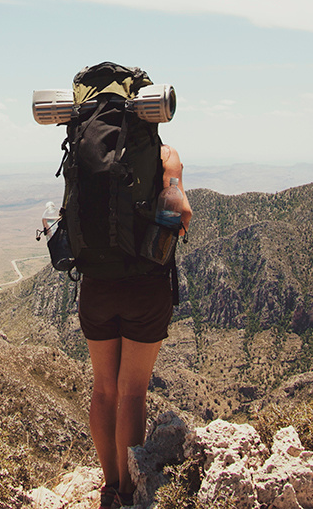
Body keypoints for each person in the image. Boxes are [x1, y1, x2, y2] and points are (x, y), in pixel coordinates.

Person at [77, 143, 192, 509]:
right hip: (144, 288)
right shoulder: (165, 156)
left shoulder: (87, 147)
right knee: (132, 392)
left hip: (96, 287)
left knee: (103, 390)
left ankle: (109, 486)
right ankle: (127, 491)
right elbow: (182, 212)